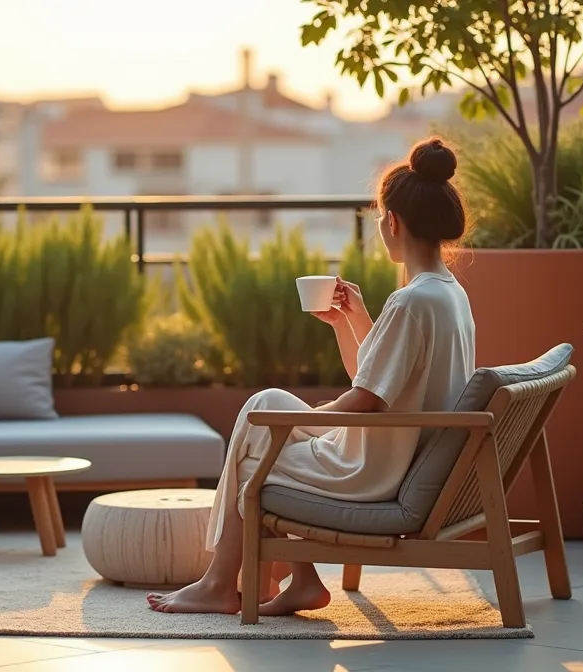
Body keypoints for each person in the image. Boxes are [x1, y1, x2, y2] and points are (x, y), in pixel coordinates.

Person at [147, 137, 476, 617]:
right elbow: (383, 383)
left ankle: (227, 582)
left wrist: (305, 423)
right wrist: (353, 319)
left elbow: (366, 400)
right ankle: (275, 579)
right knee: (267, 406)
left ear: (394, 222)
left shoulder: (411, 302)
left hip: (378, 469)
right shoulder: (446, 294)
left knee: (258, 443)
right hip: (403, 452)